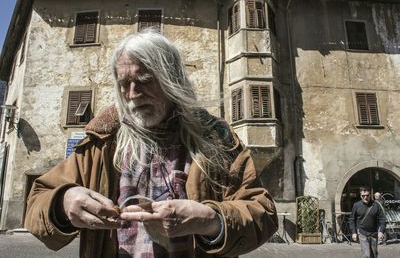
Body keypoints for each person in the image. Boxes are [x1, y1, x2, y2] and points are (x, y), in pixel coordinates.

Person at [24, 29, 278, 258]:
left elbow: (262, 212)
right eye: (124, 84)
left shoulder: (215, 137)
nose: (132, 94)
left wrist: (211, 220)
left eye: (144, 80)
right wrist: (63, 202)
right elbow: (37, 202)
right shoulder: (101, 143)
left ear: (172, 79)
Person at [349, 187, 386, 258]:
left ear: (370, 195)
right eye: (363, 196)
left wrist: (381, 231)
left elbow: (382, 219)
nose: (365, 197)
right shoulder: (356, 205)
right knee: (367, 255)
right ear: (360, 196)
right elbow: (352, 219)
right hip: (362, 233)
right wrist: (354, 232)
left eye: (367, 195)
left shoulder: (376, 205)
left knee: (374, 255)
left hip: (374, 233)